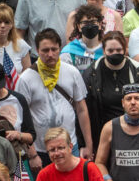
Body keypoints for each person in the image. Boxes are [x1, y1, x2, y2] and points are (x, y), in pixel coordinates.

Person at [15, 29, 91, 158]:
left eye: (54, 49)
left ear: (60, 49)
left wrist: (89, 145)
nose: (50, 54)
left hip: (70, 147)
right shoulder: (25, 79)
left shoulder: (72, 72)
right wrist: (32, 154)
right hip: (41, 150)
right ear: (37, 51)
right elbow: (21, 119)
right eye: (45, 50)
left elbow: (82, 109)